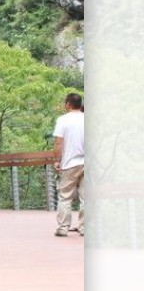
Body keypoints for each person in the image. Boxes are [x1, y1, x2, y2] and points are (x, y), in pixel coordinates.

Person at [52, 92, 85, 237]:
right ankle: (85, 228)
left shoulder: (63, 120)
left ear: (68, 104)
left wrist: (57, 160)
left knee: (65, 196)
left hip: (70, 163)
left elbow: (59, 143)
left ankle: (63, 227)